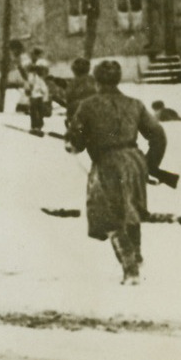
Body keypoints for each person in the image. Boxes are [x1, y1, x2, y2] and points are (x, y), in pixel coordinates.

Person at [64, 60, 167, 284]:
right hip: (134, 160)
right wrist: (150, 164)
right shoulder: (135, 104)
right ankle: (137, 255)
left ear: (97, 80)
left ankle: (131, 269)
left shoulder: (88, 106)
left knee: (108, 216)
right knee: (131, 211)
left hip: (108, 163)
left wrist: (70, 142)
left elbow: (76, 142)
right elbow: (158, 136)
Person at [27, 60, 52, 134]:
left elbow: (44, 90)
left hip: (38, 97)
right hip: (35, 97)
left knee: (38, 112)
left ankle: (38, 125)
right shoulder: (34, 77)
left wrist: (46, 98)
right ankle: (35, 126)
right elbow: (30, 85)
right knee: (34, 112)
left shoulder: (38, 78)